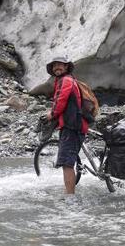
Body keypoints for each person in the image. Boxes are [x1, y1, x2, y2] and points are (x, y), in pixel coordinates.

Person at [46, 57, 88, 194]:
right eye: (54, 66)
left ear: (66, 67)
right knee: (68, 161)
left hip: (72, 126)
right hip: (72, 124)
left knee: (67, 163)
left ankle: (70, 196)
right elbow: (59, 100)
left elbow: (61, 100)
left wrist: (52, 114)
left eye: (60, 65)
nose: (57, 68)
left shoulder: (66, 80)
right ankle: (70, 191)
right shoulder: (64, 80)